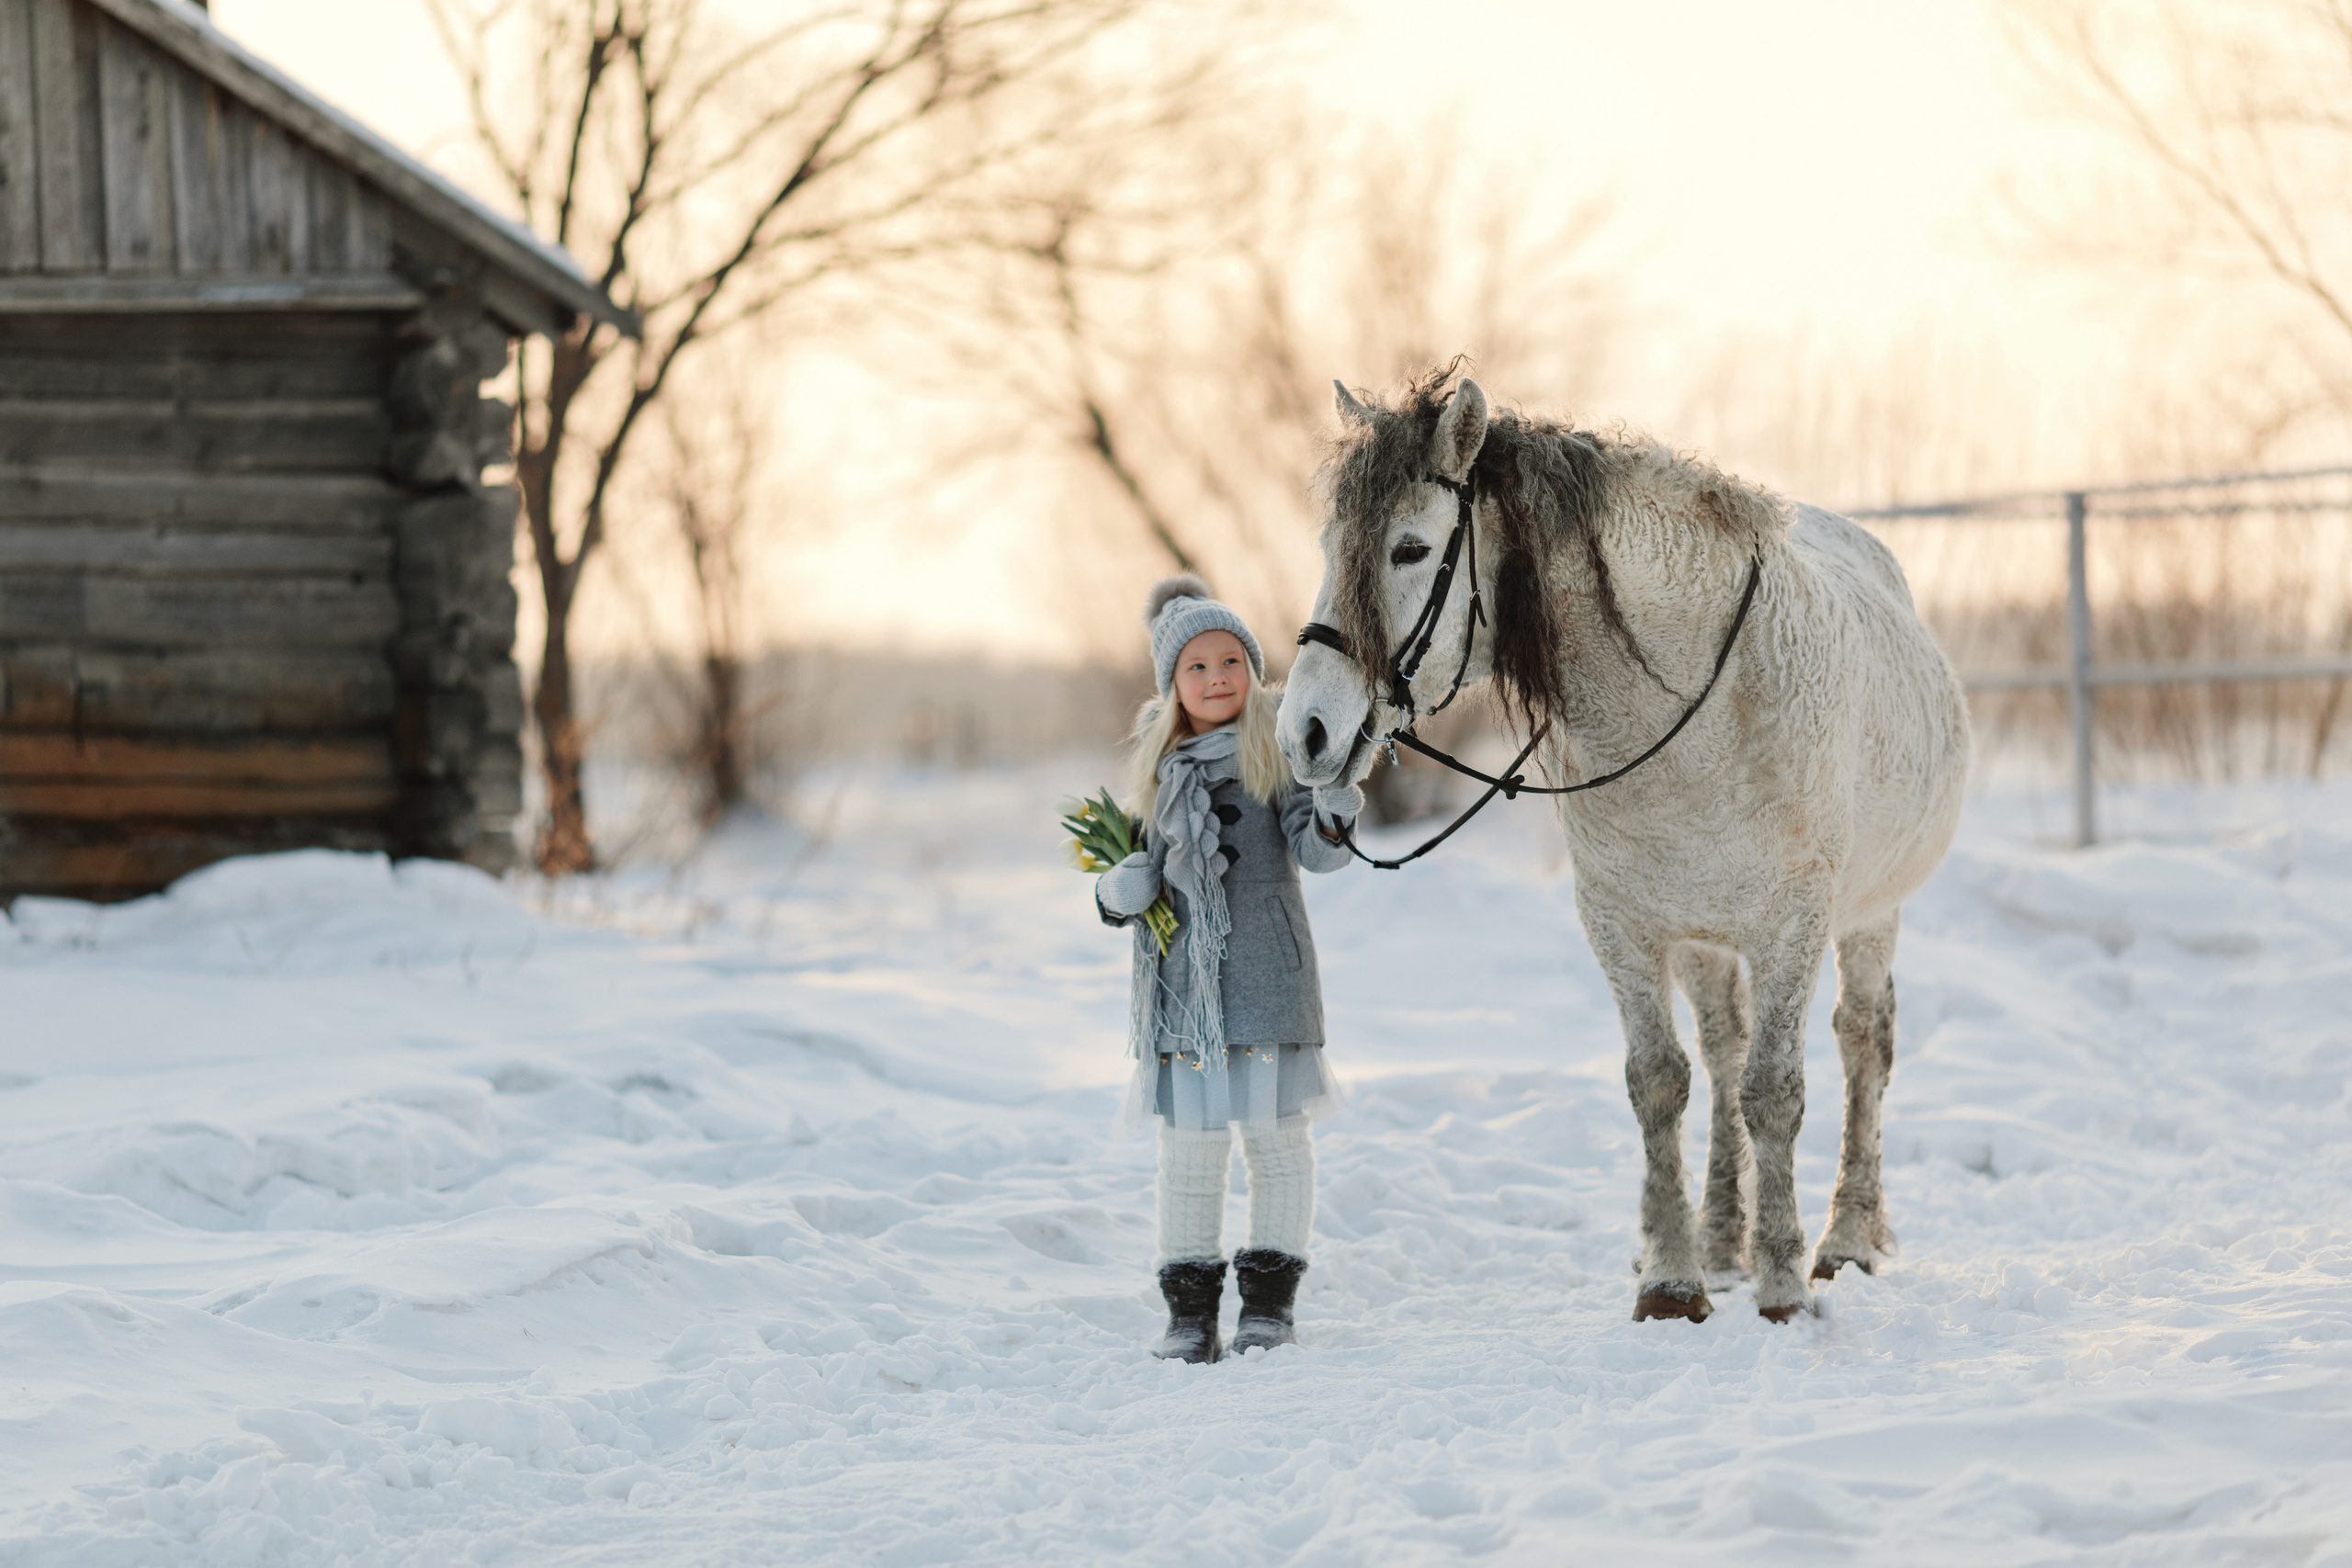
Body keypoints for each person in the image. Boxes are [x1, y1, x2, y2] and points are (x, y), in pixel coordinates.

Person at [1093, 573, 1361, 1363]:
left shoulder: (1274, 753)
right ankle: (1189, 1312)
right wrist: (1121, 891)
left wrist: (1337, 804)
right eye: (1198, 667)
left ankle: (1269, 1305)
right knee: (1191, 1153)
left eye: (1231, 661)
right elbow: (1127, 874)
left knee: (1277, 1143)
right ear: (1173, 685)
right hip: (1187, 992)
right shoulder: (1156, 769)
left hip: (1268, 977)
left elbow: (1315, 850)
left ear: (1253, 668)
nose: (1217, 679)